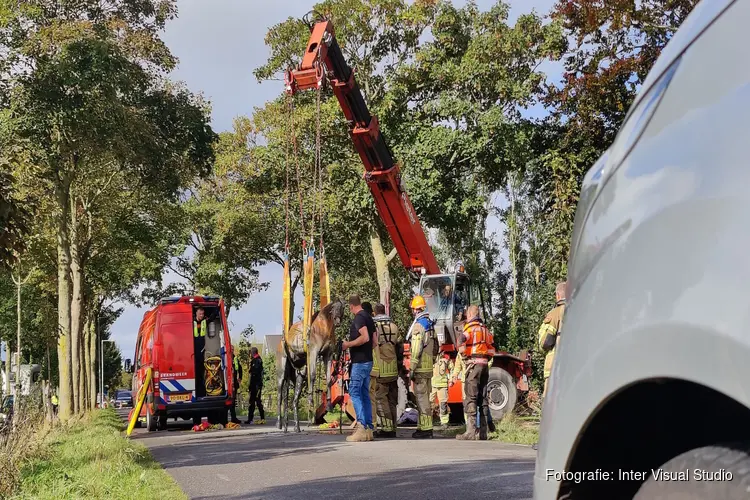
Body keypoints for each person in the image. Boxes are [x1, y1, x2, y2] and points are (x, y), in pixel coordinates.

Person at [456, 304, 495, 441]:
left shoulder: (470, 329)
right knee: (483, 399)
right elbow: (492, 346)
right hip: (484, 365)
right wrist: (487, 357)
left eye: (467, 314)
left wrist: (463, 353)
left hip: (473, 365)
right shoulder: (485, 329)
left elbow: (461, 339)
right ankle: (483, 433)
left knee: (471, 397)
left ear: (470, 314)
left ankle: (470, 432)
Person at [342, 294, 376, 442]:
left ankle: (361, 427)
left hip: (360, 362)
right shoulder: (369, 318)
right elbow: (375, 341)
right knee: (364, 394)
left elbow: (366, 337)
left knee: (354, 392)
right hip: (368, 361)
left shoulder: (359, 318)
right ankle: (369, 429)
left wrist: (347, 345)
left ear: (351, 306)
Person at [407, 295, 437, 439]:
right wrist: (432, 359)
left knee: (421, 399)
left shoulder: (419, 326)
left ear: (416, 309)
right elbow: (436, 346)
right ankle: (422, 426)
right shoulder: (430, 324)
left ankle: (426, 429)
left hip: (420, 369)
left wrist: (412, 368)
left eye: (413, 309)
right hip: (429, 368)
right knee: (426, 398)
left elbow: (416, 349)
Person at [372, 303, 402, 438]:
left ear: (374, 312)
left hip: (382, 368)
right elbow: (399, 346)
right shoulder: (394, 326)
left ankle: (386, 428)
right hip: (393, 368)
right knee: (392, 399)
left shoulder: (375, 327)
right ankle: (393, 427)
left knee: (380, 398)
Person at [538, 282, 566, 399]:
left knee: (549, 399)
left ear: (558, 295)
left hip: (555, 364)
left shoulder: (555, 313)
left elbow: (545, 342)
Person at [361, 302, 379, 432]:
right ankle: (372, 424)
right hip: (376, 366)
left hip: (367, 365)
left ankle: (367, 426)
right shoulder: (375, 325)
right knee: (372, 398)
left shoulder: (365, 324)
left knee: (365, 397)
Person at [430, 353, 453, 430]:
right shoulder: (430, 355)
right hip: (431, 384)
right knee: (429, 404)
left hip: (442, 385)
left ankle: (444, 422)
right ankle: (428, 422)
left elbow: (452, 369)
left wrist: (451, 380)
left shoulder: (446, 357)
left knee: (443, 405)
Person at [247, 347, 265, 424]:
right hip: (255, 385)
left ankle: (260, 418)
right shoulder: (256, 360)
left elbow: (254, 373)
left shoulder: (257, 360)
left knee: (256, 402)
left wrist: (252, 385)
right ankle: (252, 418)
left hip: (256, 385)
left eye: (250, 353)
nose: (250, 354)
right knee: (254, 402)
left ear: (253, 353)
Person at [230, 347, 243, 424]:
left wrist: (240, 377)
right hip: (229, 382)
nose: (232, 351)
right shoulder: (225, 357)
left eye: (232, 350)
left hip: (233, 382)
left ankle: (233, 418)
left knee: (233, 402)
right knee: (230, 402)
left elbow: (240, 368)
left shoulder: (235, 358)